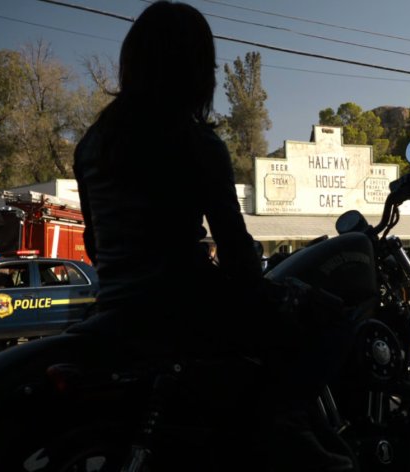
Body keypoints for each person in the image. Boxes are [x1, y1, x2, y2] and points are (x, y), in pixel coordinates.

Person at [69, 2, 351, 470]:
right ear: (195, 71)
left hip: (118, 306)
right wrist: (263, 286)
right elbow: (239, 258)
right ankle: (284, 424)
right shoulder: (195, 142)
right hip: (188, 307)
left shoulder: (93, 144)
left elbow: (96, 245)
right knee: (332, 317)